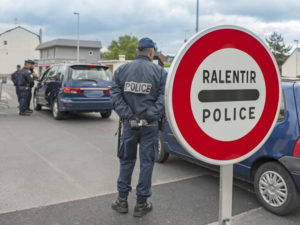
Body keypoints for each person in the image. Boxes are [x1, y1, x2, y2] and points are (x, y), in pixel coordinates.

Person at [110, 37, 167, 217]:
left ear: (137, 51)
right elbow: (163, 98)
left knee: (127, 161)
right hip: (149, 125)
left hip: (130, 124)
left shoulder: (122, 70)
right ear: (152, 53)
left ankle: (122, 201)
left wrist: (129, 115)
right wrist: (149, 115)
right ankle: (141, 203)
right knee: (147, 163)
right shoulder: (160, 73)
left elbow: (115, 95)